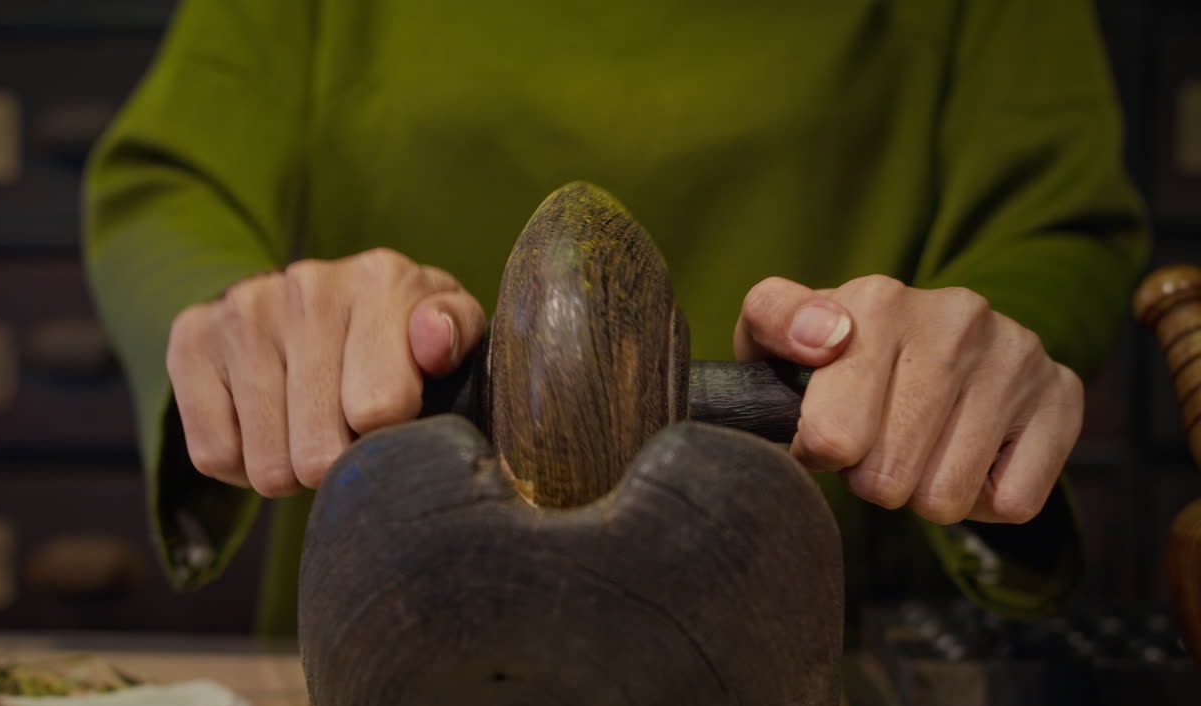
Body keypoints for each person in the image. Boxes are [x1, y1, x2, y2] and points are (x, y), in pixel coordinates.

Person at [84, 0, 1148, 639]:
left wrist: (957, 372)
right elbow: (167, 186)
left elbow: (1053, 222)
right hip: (401, 602)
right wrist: (241, 322)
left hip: (797, 619)